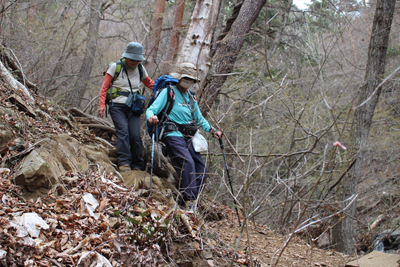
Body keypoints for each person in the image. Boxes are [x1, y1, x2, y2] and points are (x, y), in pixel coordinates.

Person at [146, 62, 222, 211]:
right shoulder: (169, 92)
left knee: (201, 169)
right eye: (186, 78)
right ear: (179, 78)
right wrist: (151, 117)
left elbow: (199, 119)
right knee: (187, 164)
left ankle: (190, 199)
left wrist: (213, 130)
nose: (189, 81)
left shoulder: (191, 98)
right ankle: (189, 201)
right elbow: (152, 109)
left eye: (191, 79)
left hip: (188, 136)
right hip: (172, 133)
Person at [98, 42, 154, 172]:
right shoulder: (115, 67)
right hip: (117, 105)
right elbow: (104, 87)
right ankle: (124, 162)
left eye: (137, 59)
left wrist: (164, 88)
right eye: (132, 59)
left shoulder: (140, 68)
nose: (134, 62)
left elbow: (149, 83)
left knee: (135, 135)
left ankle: (137, 164)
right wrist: (102, 104)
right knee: (123, 132)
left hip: (134, 107)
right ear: (126, 56)